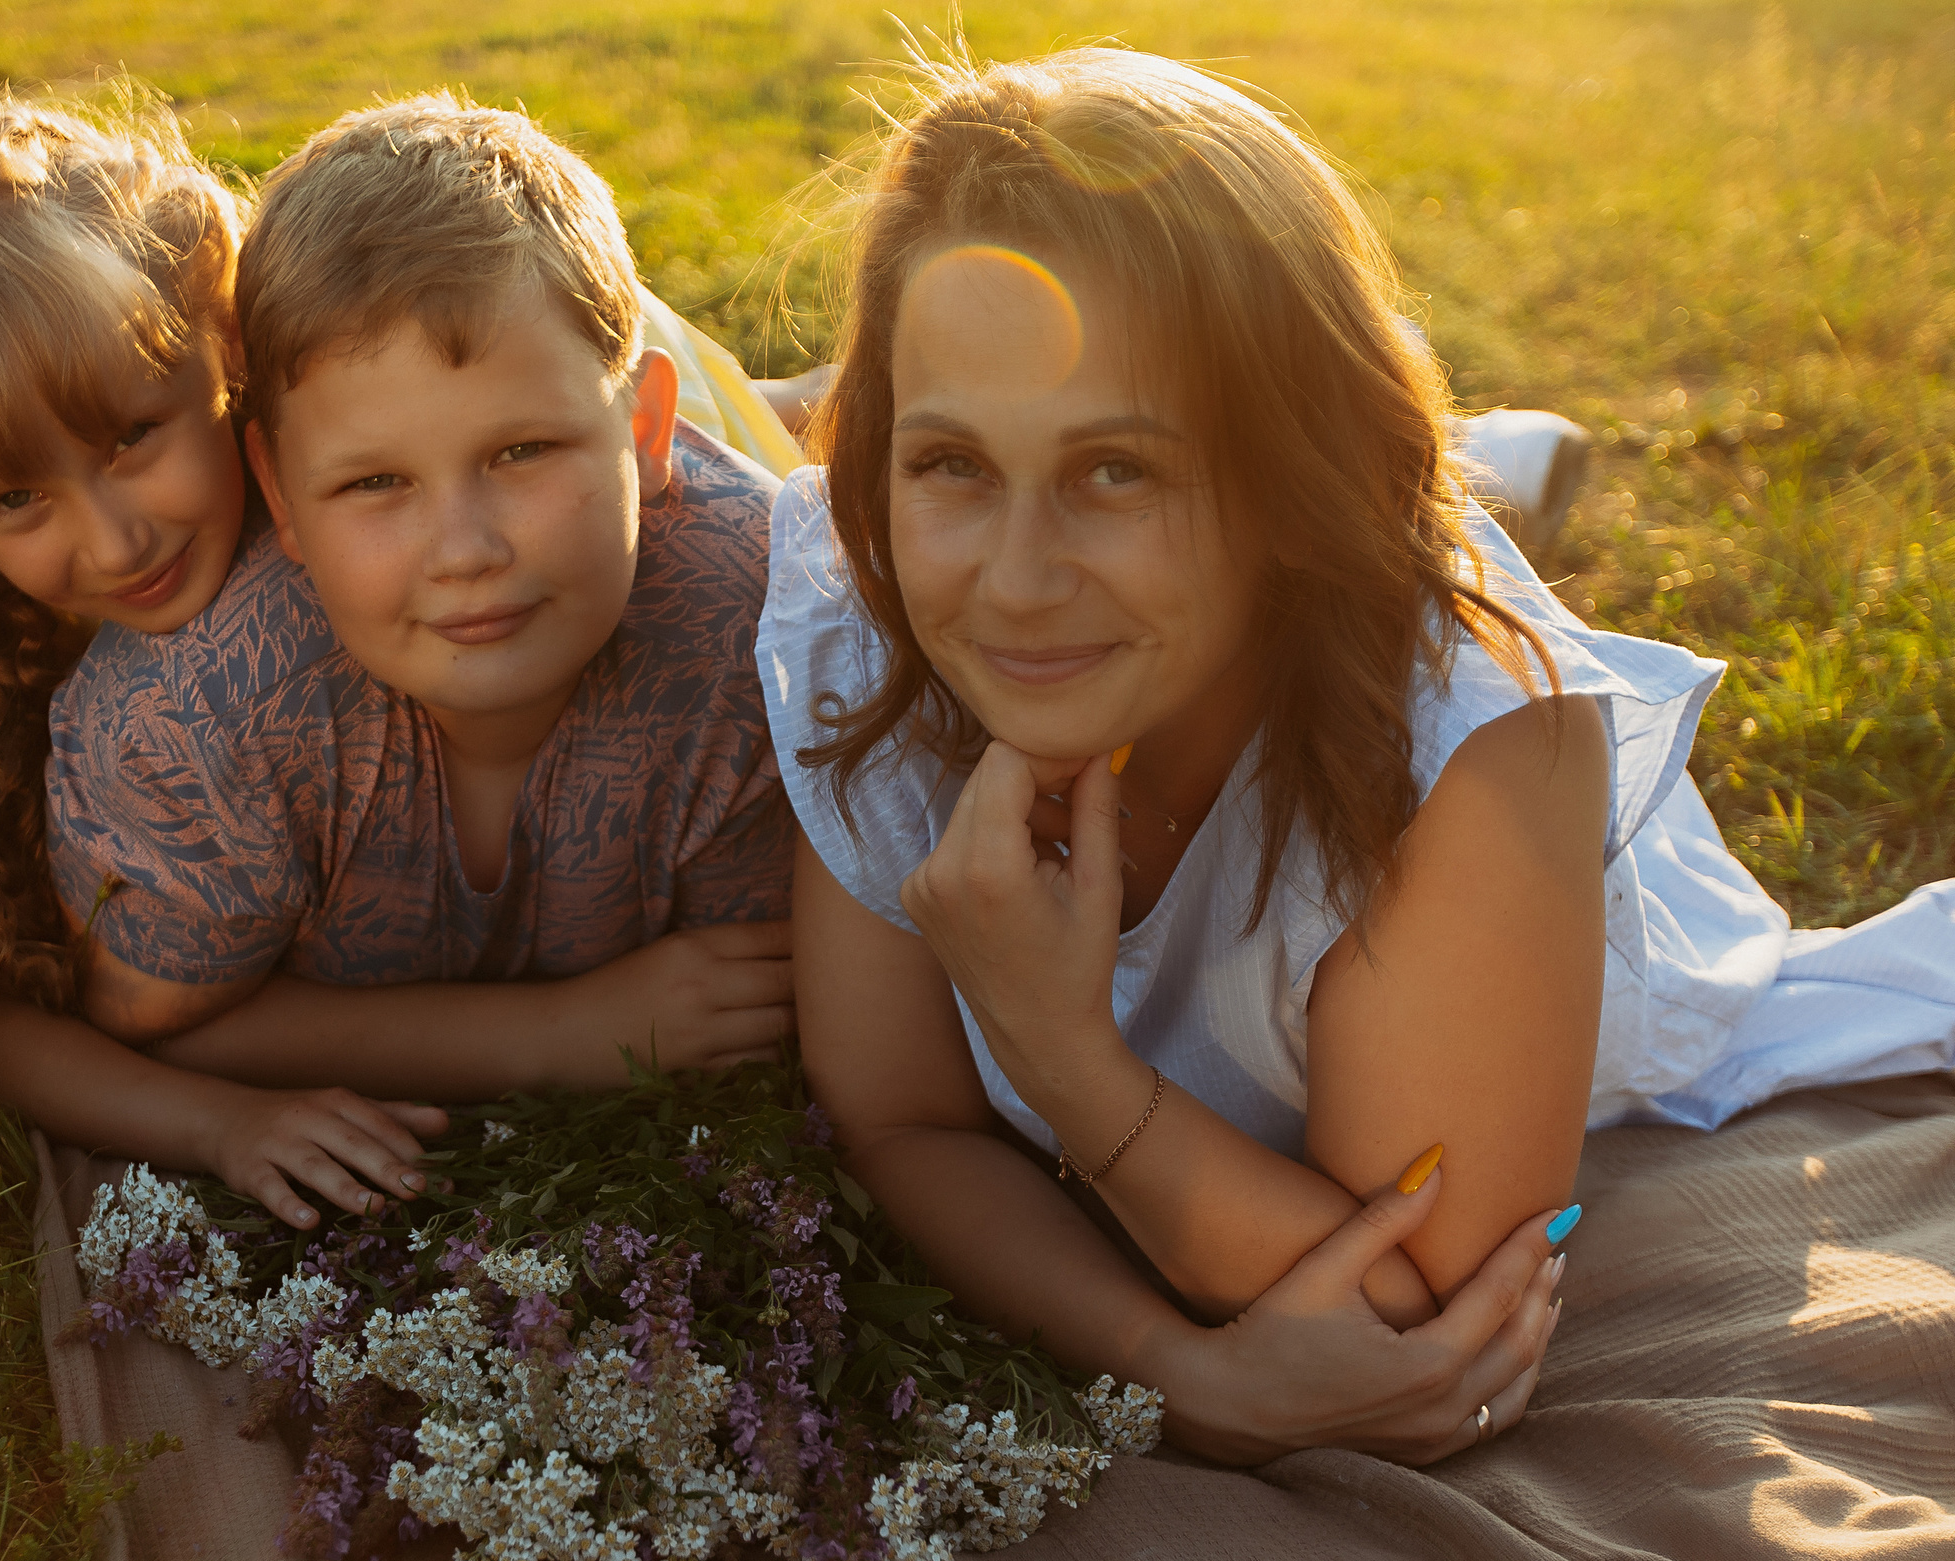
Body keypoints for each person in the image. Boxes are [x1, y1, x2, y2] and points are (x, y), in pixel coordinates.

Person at [757, 46, 1955, 1467]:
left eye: (1115, 470)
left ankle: (1456, 467)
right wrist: (1175, 1367)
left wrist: (1066, 1060)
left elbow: (1412, 1307)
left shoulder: (1480, 744)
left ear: (1285, 480)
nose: (1014, 581)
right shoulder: (872, 618)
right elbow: (901, 1123)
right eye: (953, 461)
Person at [0, 90, 801, 1233]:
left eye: (133, 437)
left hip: (627, 415)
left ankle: (762, 404)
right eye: (16, 498)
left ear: (223, 378)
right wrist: (555, 1036)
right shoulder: (157, 701)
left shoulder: (728, 595)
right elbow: (45, 1012)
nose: (119, 542)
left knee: (660, 404)